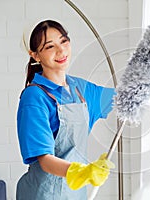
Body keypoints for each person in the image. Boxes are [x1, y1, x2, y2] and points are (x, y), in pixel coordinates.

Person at [16, 19, 115, 200]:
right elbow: (45, 160)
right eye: (49, 47)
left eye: (63, 41)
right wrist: (83, 172)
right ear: (35, 55)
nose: (61, 50)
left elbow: (123, 98)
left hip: (75, 193)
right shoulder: (34, 97)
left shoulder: (79, 88)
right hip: (43, 194)